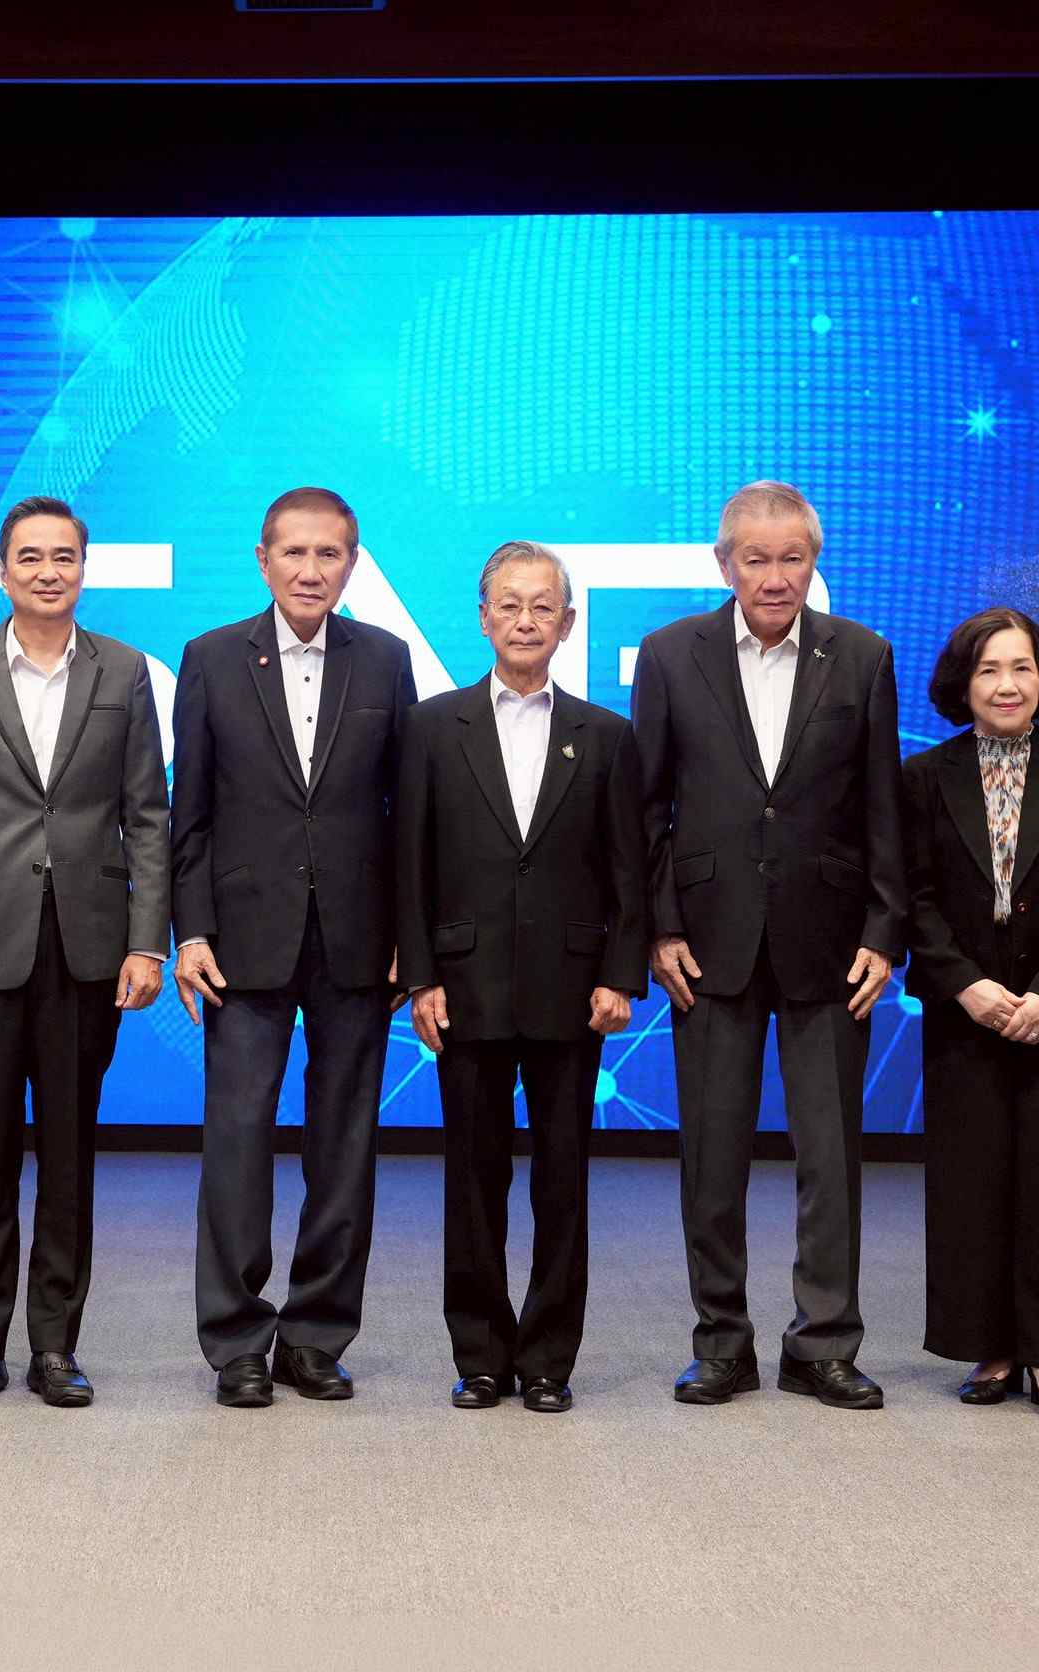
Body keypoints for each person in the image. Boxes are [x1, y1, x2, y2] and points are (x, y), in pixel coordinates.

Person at [633, 480, 908, 1410]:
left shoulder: (862, 655)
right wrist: (660, 925)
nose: (776, 576)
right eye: (757, 559)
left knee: (831, 1161)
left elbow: (881, 808)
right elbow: (648, 809)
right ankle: (721, 1342)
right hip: (707, 944)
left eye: (793, 558)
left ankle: (822, 1343)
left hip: (832, 946)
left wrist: (883, 931)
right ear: (726, 564)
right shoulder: (671, 655)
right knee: (712, 1160)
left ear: (813, 561)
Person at [0, 496, 169, 1407]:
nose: (48, 571)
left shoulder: (124, 669)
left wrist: (147, 942)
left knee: (68, 1155)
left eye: (64, 556)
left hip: (89, 949)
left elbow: (147, 816)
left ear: (84, 569)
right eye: (30, 556)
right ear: (3, 570)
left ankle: (56, 1345)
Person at [171, 486, 418, 1408]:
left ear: (351, 563)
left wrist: (410, 937)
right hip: (242, 940)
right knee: (237, 1140)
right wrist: (191, 929)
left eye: (330, 553)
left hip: (359, 940)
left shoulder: (385, 659)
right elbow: (189, 813)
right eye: (295, 552)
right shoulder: (211, 657)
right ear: (263, 559)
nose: (311, 570)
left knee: (344, 1145)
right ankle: (236, 1341)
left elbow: (407, 813)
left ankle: (317, 1335)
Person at [397, 542, 645, 1414]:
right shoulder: (433, 726)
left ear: (568, 623)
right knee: (472, 1181)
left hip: (573, 990)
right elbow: (410, 863)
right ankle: (479, 1355)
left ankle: (547, 1360)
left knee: (561, 1182)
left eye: (543, 607)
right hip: (463, 986)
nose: (526, 621)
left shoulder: (606, 735)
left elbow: (628, 869)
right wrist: (419, 977)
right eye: (510, 605)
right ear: (483, 618)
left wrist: (620, 975)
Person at [901, 608, 1039, 1423]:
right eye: (989, 669)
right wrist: (965, 985)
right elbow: (914, 896)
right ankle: (990, 1345)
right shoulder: (924, 776)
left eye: (1021, 667)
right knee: (974, 1181)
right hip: (966, 1012)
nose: (1006, 684)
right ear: (963, 684)